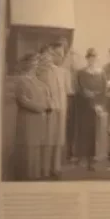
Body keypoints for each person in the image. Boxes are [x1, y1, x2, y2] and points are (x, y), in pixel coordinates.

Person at [75, 48, 108, 170]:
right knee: (84, 131)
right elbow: (82, 89)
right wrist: (92, 102)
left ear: (97, 58)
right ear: (87, 58)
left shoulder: (102, 73)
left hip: (98, 107)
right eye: (90, 57)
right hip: (85, 106)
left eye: (94, 57)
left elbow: (104, 90)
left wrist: (100, 106)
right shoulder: (81, 73)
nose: (92, 59)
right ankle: (83, 157)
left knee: (96, 132)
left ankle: (93, 158)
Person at [44, 40, 68, 177]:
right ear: (52, 54)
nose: (60, 57)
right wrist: (49, 104)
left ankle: (56, 166)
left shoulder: (63, 72)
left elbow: (66, 89)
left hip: (62, 108)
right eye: (57, 53)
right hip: (51, 108)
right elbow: (44, 90)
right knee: (49, 138)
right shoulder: (46, 70)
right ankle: (46, 168)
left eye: (62, 54)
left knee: (59, 138)